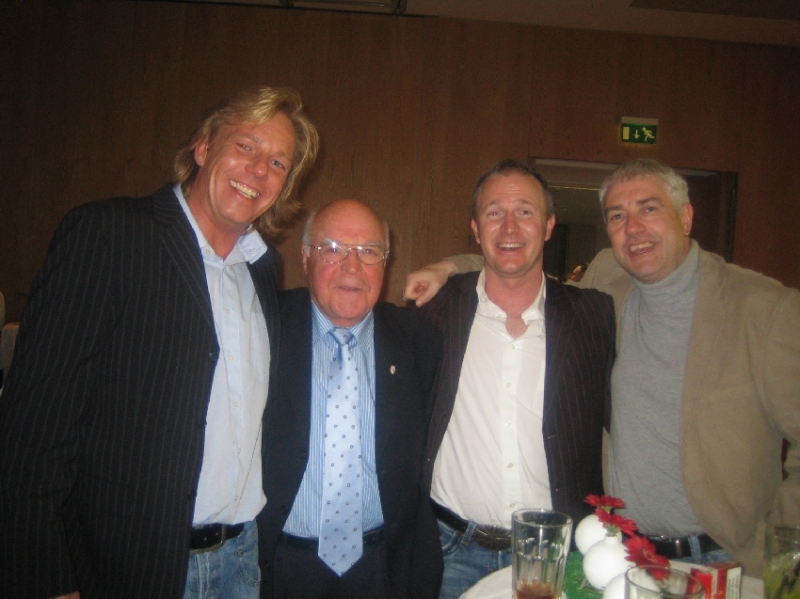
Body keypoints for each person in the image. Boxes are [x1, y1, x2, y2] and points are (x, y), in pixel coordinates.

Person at [404, 158, 800, 576]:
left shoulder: (765, 309)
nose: (634, 228)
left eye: (649, 208)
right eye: (617, 216)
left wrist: (777, 547)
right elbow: (511, 262)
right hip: (623, 553)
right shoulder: (608, 286)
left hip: (725, 557)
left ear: (685, 217)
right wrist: (448, 268)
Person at [0, 86, 319, 599]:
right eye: (245, 146)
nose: (259, 169)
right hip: (130, 566)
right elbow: (32, 429)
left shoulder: (262, 268)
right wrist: (48, 577)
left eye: (278, 162)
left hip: (241, 561)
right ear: (203, 148)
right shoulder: (110, 236)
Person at [409, 159, 615, 599]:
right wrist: (446, 267)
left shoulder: (594, 316)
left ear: (548, 226)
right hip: (449, 550)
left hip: (553, 556)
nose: (509, 227)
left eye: (525, 211)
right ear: (475, 228)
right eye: (494, 212)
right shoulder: (433, 311)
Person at [256, 199, 444, 598]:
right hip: (280, 565)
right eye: (333, 249)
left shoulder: (418, 340)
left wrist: (449, 267)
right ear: (305, 258)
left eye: (369, 252)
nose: (352, 267)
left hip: (383, 568)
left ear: (386, 264)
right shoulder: (264, 326)